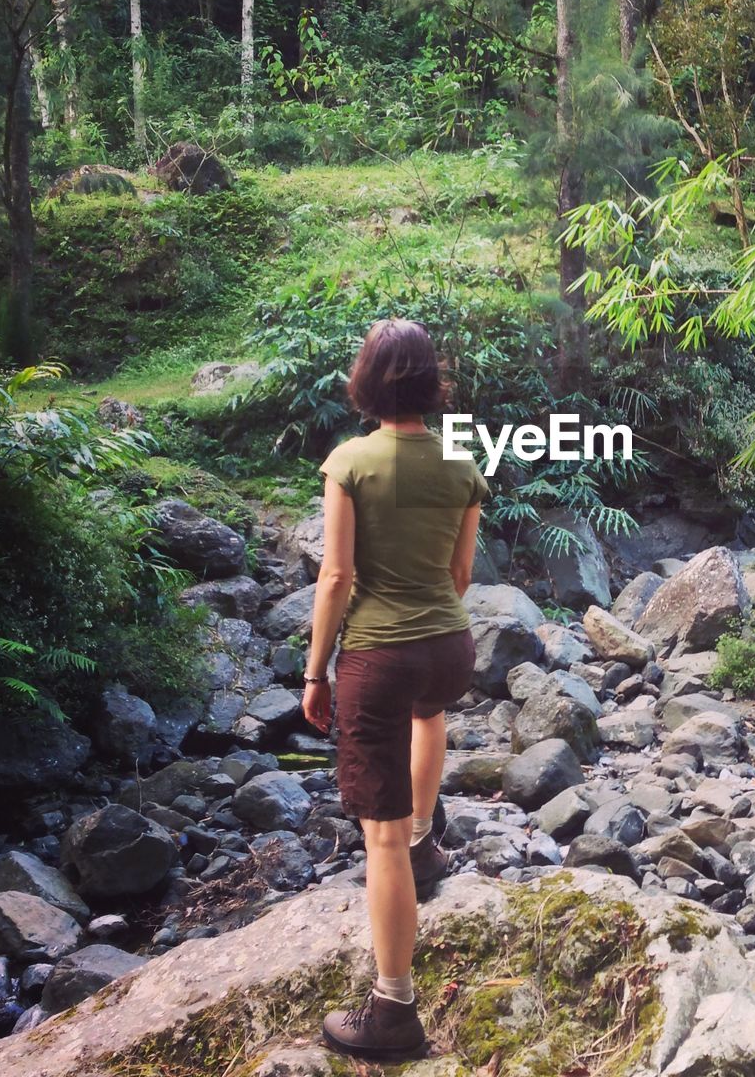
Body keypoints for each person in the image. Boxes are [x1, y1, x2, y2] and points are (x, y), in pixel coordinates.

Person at [302, 318, 487, 1062]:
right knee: (429, 713)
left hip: (378, 655)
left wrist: (316, 673)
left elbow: (337, 578)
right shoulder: (460, 464)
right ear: (430, 384)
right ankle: (423, 846)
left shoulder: (350, 460)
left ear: (369, 383)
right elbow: (461, 576)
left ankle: (393, 1010)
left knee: (373, 831)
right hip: (450, 648)